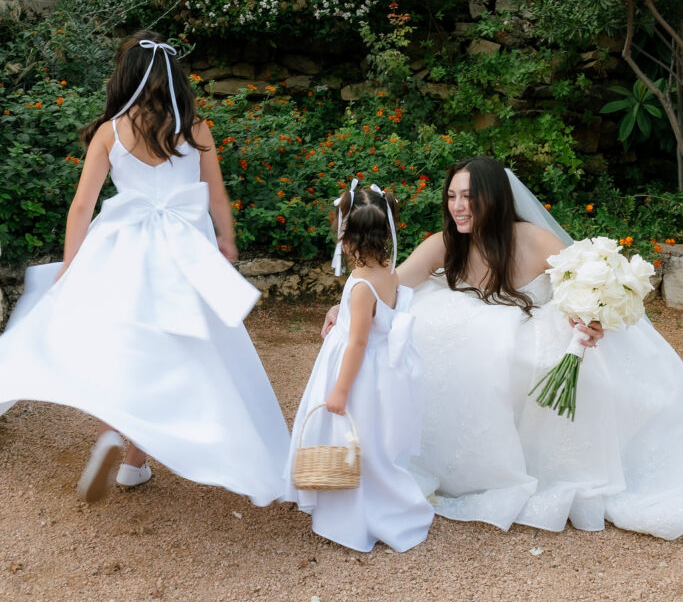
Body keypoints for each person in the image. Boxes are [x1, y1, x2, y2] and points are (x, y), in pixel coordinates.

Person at [323, 157, 683, 540]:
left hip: (533, 326)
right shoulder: (445, 244)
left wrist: (592, 319)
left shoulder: (537, 240)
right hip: (477, 334)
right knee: (435, 330)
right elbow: (390, 288)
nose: (458, 206)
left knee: (526, 350)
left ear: (493, 198)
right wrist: (343, 305)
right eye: (452, 197)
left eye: (468, 197)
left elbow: (581, 291)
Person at [0, 31, 290, 504]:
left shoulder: (110, 131)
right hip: (182, 257)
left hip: (121, 253)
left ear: (126, 77)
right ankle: (134, 462)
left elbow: (82, 207)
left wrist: (72, 266)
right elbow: (216, 196)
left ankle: (113, 432)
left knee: (120, 347)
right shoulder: (196, 128)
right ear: (174, 77)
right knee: (174, 355)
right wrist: (226, 239)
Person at [284, 180, 434, 552]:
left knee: (351, 439)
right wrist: (341, 310)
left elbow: (359, 341)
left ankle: (355, 514)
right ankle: (373, 501)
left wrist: (339, 389)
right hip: (382, 370)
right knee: (372, 440)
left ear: (345, 238)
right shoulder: (387, 270)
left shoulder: (363, 284)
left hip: (358, 374)